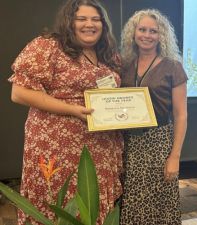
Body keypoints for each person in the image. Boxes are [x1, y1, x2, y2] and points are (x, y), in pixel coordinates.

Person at [8, 0, 123, 224]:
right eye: (81, 19)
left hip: (100, 146)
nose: (89, 24)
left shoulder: (107, 54)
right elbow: (19, 93)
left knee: (92, 203)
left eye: (95, 19)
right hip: (57, 146)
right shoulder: (47, 46)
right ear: (69, 21)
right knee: (58, 201)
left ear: (103, 24)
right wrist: (72, 110)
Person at [120, 9, 188, 225]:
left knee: (159, 201)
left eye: (153, 31)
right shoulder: (123, 65)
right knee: (128, 198)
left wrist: (174, 156)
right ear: (133, 32)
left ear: (162, 36)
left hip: (158, 142)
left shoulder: (173, 66)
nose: (147, 35)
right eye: (142, 29)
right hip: (126, 142)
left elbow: (181, 114)